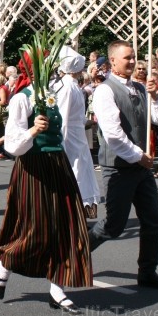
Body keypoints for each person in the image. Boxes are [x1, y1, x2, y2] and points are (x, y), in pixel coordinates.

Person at [0, 53, 92, 312]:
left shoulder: (54, 95)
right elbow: (13, 144)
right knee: (36, 229)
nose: (51, 69)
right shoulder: (20, 99)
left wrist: (77, 166)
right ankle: (5, 263)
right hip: (32, 167)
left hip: (58, 165)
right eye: (44, 65)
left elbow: (66, 133)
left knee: (68, 226)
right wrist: (34, 130)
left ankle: (58, 289)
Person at [88, 40, 158, 291]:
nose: (132, 61)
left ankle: (147, 272)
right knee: (113, 225)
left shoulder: (139, 87)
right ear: (112, 61)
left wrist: (156, 95)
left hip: (140, 167)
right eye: (126, 57)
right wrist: (139, 156)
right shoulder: (105, 91)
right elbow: (113, 134)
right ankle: (75, 251)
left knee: (153, 220)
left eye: (134, 57)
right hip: (119, 167)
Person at [54, 46, 102, 218]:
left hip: (76, 134)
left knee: (81, 170)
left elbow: (73, 115)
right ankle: (73, 211)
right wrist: (62, 144)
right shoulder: (68, 87)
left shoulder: (71, 86)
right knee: (76, 171)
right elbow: (63, 118)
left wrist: (84, 122)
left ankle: (77, 210)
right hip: (71, 137)